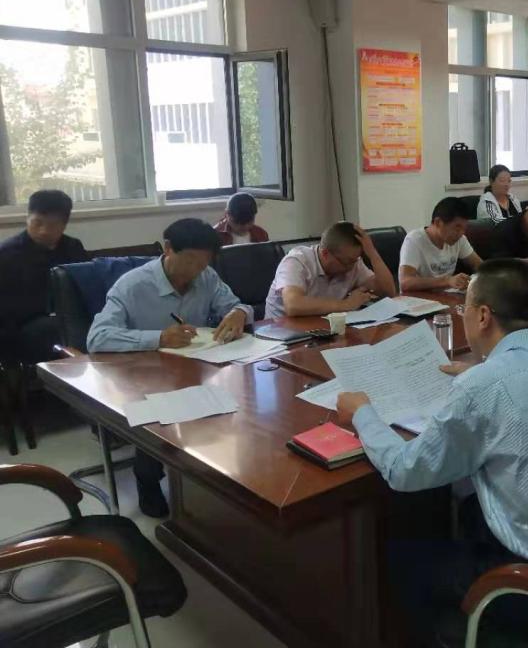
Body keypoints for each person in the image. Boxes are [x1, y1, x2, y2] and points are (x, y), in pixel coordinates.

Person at [335, 259, 528, 642]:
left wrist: (362, 414)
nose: (464, 315)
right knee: (468, 503)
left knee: (400, 557)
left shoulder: (482, 388)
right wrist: (476, 375)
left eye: (464, 309)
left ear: (483, 315)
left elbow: (405, 470)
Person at [87, 218, 253, 517]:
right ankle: (147, 479)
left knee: (237, 407)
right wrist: (159, 338)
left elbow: (235, 305)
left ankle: (207, 480)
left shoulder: (207, 276)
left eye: (203, 263)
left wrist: (239, 312)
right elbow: (97, 338)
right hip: (144, 376)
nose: (196, 270)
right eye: (190, 261)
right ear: (168, 249)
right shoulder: (133, 285)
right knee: (163, 416)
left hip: (196, 369)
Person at [0, 190, 88, 366]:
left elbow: (85, 287)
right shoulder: (6, 254)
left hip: (69, 319)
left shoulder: (73, 248)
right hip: (22, 327)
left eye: (53, 225)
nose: (44, 231)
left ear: (64, 225)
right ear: (27, 218)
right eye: (37, 223)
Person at [265, 222, 397, 319]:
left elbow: (388, 292)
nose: (351, 268)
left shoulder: (353, 263)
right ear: (325, 253)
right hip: (280, 335)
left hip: (320, 329)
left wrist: (372, 253)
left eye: (355, 260)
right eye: (347, 262)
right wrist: (346, 304)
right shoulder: (297, 261)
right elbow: (293, 305)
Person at [398, 197, 482, 292]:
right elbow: (405, 282)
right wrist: (446, 281)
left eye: (464, 228)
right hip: (419, 297)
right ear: (438, 222)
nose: (461, 233)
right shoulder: (414, 240)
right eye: (457, 227)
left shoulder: (459, 239)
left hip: (446, 295)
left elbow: (479, 265)